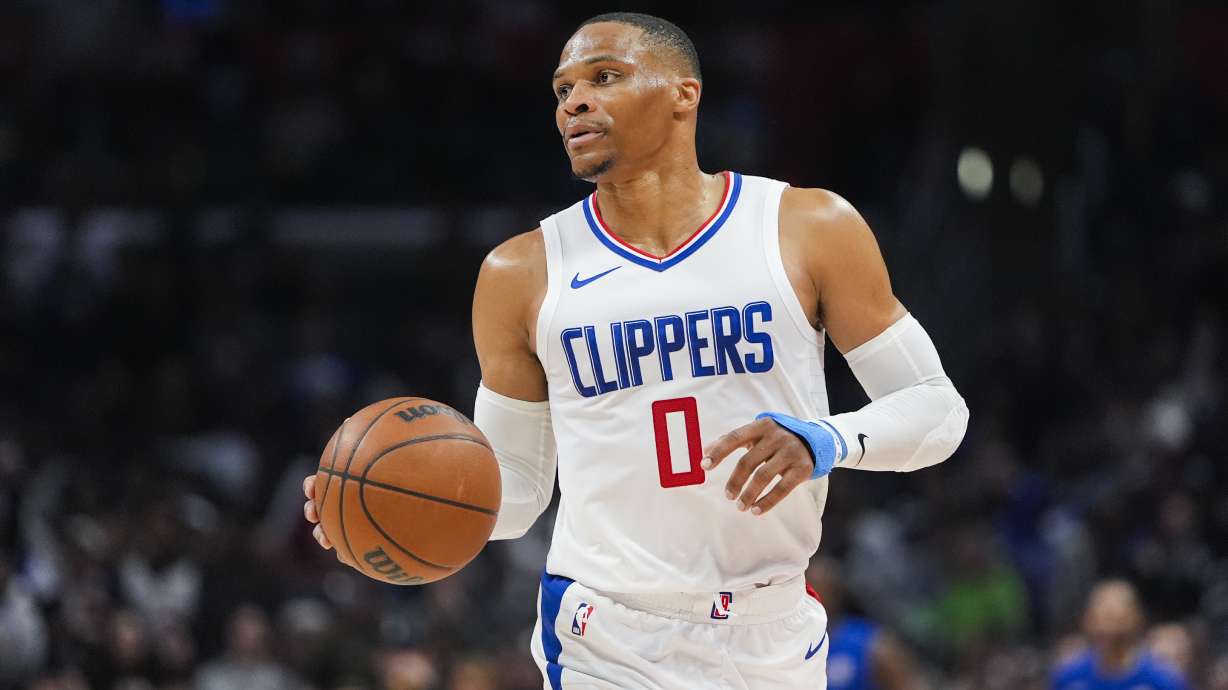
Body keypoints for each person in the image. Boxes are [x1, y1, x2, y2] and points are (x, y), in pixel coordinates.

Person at [303, 11, 968, 689]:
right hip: (607, 635)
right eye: (562, 91)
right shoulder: (521, 273)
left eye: (604, 77)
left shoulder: (806, 227)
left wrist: (827, 439)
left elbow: (937, 412)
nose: (575, 102)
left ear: (685, 93)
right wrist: (383, 504)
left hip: (773, 631)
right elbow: (519, 491)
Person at [807, 558, 931, 690]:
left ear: (835, 593)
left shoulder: (867, 642)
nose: (810, 597)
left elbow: (909, 683)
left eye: (817, 589)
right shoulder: (795, 645)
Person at [1051, 580, 1188, 690]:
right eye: (1098, 618)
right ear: (1086, 620)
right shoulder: (1069, 678)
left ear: (1135, 618)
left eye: (1114, 618)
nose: (1106, 627)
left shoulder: (1163, 680)